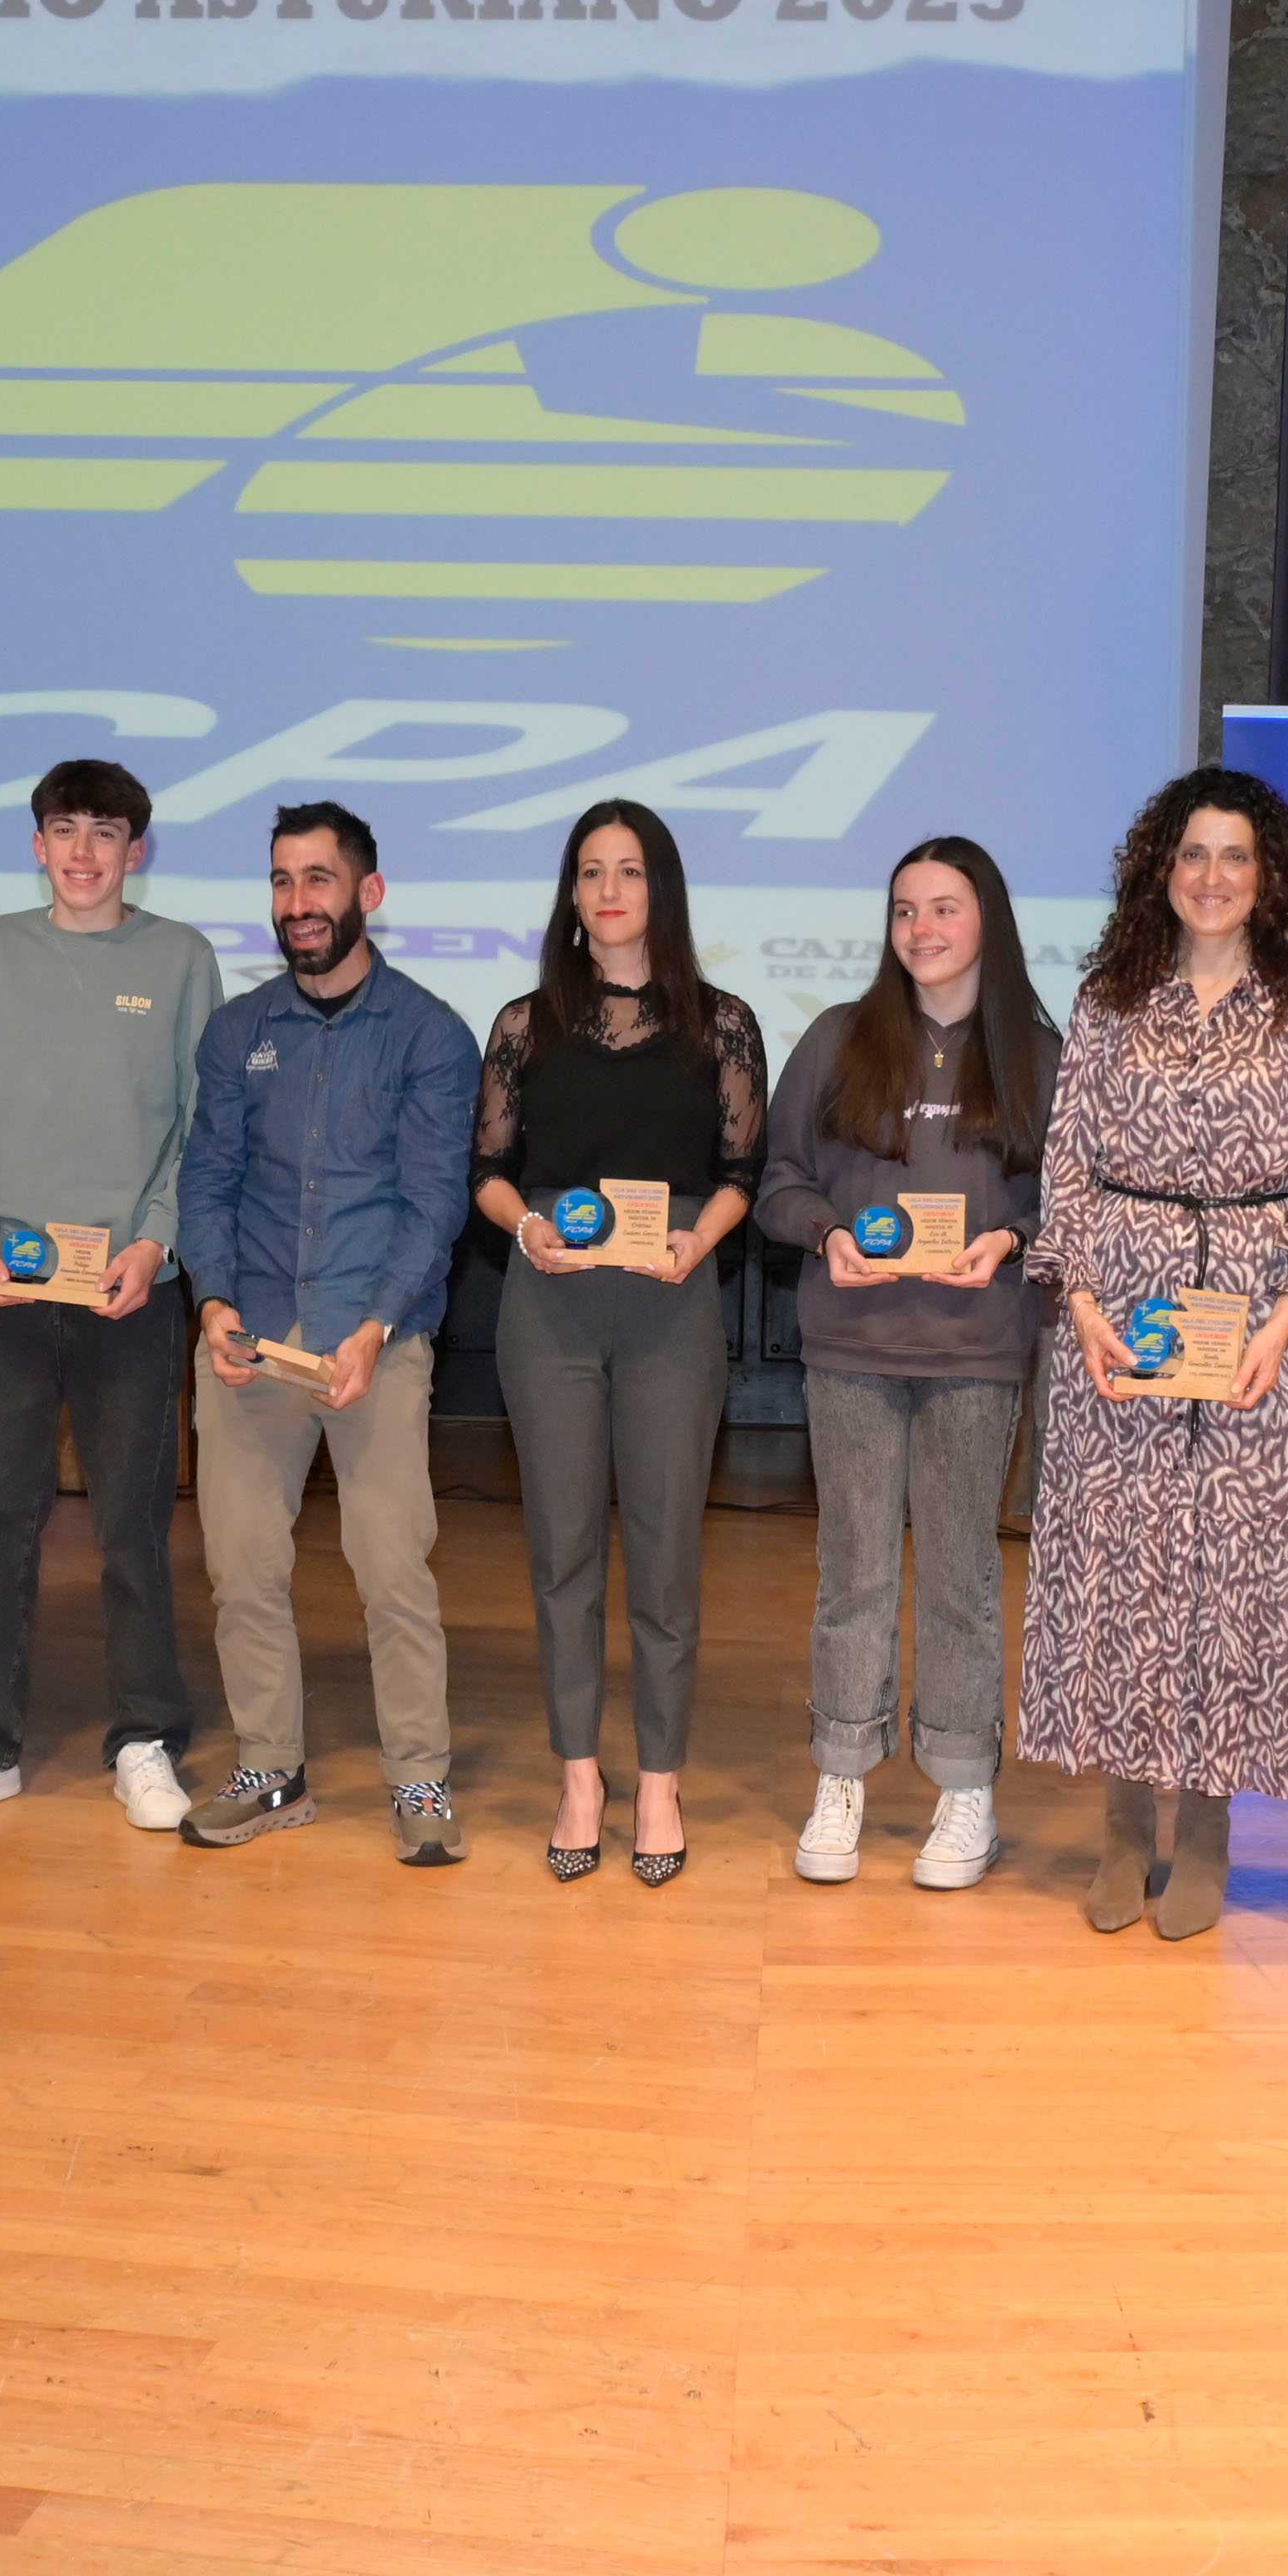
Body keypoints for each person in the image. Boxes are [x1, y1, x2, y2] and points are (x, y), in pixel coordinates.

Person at [1014, 768, 1288, 1942]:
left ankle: (1206, 1833)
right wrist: (1083, 1302)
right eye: (1190, 855)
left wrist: (1284, 1315)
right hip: (1125, 1322)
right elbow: (1065, 1162)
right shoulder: (1110, 1001)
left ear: (1268, 881)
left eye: (1234, 857)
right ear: (1159, 873)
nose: (1210, 877)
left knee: (1232, 1586)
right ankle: (1122, 1829)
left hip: (1256, 1324)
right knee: (1124, 1576)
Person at [0, 758, 223, 1832]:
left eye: (106, 832)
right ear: (36, 844)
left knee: (134, 1525)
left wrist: (157, 1245)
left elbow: (200, 1126)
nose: (84, 851)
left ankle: (145, 1738)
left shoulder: (180, 958)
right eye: (63, 830)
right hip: (8, 1288)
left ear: (137, 850)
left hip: (133, 1291)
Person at [174, 799, 483, 1862]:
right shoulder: (237, 1032)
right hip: (249, 1332)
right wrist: (212, 1300)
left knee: (392, 1565)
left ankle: (421, 1780)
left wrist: (374, 1326)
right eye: (281, 882)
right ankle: (272, 1770)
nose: (297, 903)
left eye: (318, 880)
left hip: (373, 1336)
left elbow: (435, 1198)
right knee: (243, 1563)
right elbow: (206, 1179)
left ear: (369, 893)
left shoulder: (432, 1034)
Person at [473, 798, 771, 1884]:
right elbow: (489, 1174)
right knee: (561, 1554)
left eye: (630, 871)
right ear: (570, 892)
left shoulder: (722, 1023)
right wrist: (527, 1226)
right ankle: (579, 1774)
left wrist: (696, 1246)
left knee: (665, 1555)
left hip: (670, 1299)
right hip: (547, 1299)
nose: (608, 892)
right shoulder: (523, 1024)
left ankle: (659, 1783)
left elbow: (743, 1176)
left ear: (663, 890)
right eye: (590, 872)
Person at [756, 835, 1058, 1893]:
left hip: (977, 1352)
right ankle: (842, 1771)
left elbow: (1056, 1198)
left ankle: (964, 1783)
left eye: (944, 908)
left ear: (988, 922)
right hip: (852, 1344)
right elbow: (779, 1178)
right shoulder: (841, 1038)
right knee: (855, 1567)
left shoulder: (1034, 1048)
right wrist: (826, 1231)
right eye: (904, 911)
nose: (922, 930)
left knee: (966, 1576)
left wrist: (1010, 1240)